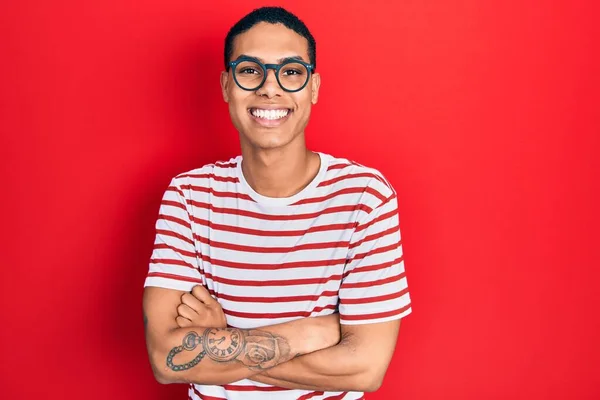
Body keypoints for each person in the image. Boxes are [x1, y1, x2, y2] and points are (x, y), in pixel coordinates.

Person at [143, 6, 412, 400]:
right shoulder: (188, 196)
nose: (271, 88)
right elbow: (166, 359)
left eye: (291, 71)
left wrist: (224, 341)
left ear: (314, 88)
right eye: (250, 70)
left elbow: (366, 368)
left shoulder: (365, 197)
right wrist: (310, 332)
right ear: (226, 86)